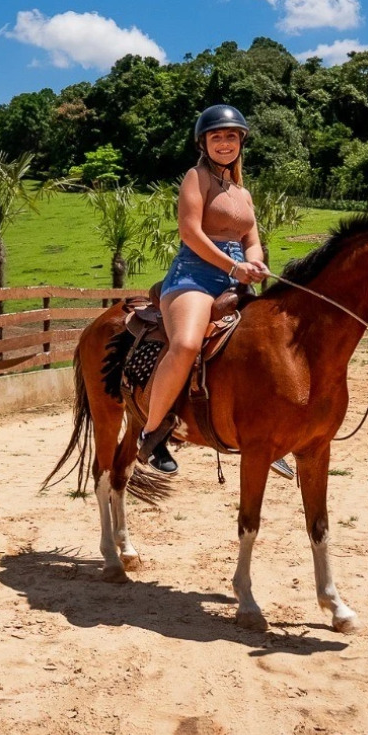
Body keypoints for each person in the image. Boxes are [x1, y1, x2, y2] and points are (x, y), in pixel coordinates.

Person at [137, 105, 272, 475]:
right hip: (194, 276)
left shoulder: (242, 193)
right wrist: (233, 265)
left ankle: (263, 429)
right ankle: (150, 434)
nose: (225, 143)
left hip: (235, 277)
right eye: (217, 137)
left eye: (231, 136)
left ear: (241, 141)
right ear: (204, 143)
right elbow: (190, 232)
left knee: (267, 346)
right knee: (185, 345)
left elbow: (251, 239)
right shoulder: (196, 178)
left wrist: (254, 263)